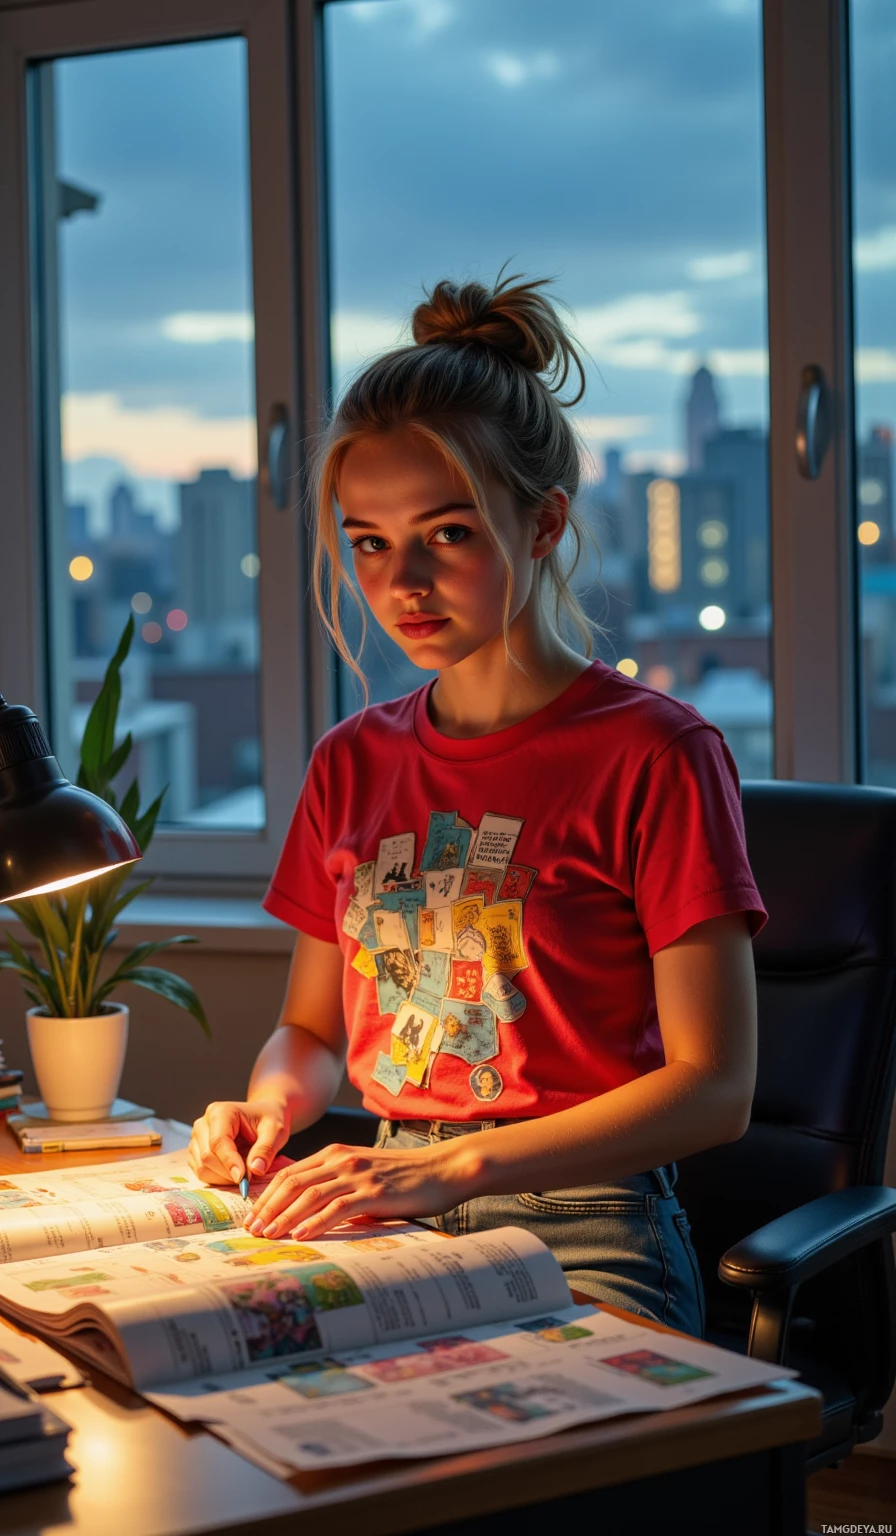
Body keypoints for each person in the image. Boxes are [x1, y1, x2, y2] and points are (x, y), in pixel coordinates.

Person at [189, 273, 766, 1336]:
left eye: (445, 534)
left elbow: (714, 1088)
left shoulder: (655, 753)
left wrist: (454, 1169)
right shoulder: (349, 762)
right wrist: (271, 1102)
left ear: (541, 523)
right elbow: (311, 1031)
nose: (401, 581)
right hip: (378, 1196)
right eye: (368, 542)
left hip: (583, 1222)